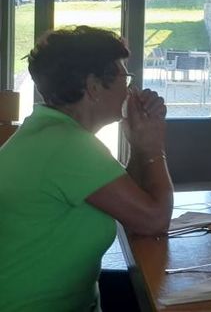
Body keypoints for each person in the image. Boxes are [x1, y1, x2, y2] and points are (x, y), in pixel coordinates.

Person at [0, 26, 173, 311]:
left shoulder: (50, 132)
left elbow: (127, 201)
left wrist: (139, 145)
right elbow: (153, 219)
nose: (130, 89)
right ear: (93, 87)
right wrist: (154, 149)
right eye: (125, 77)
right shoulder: (66, 145)